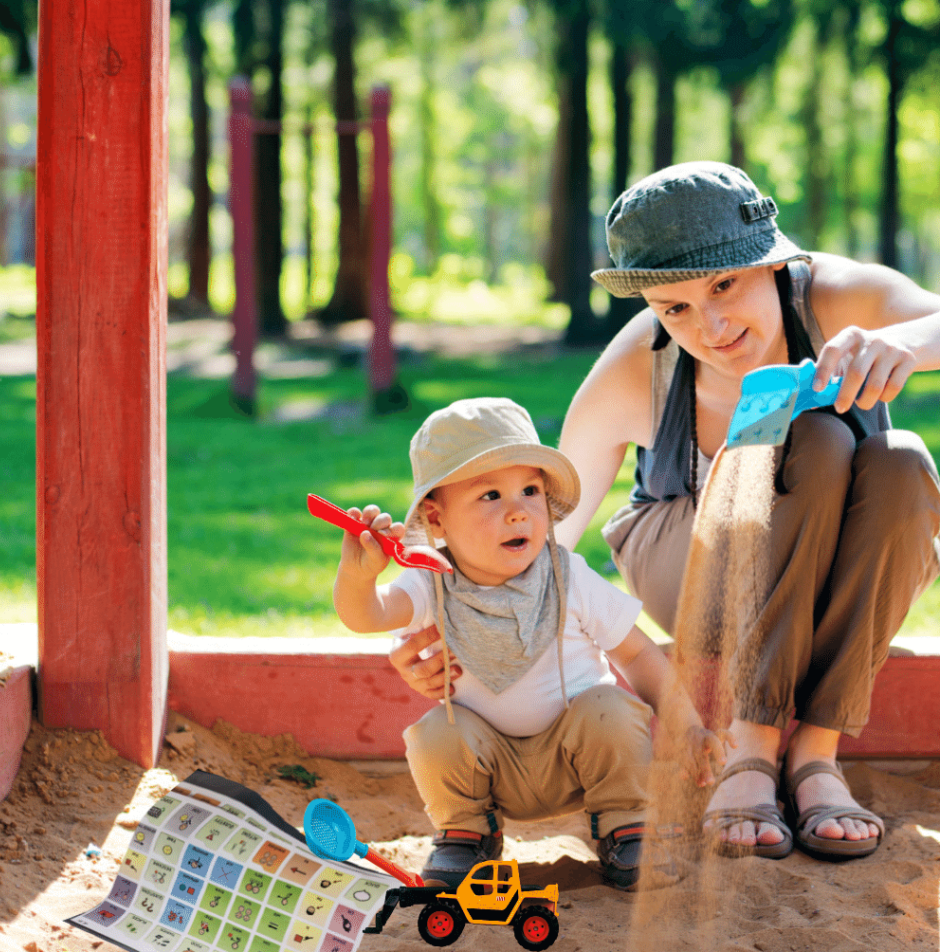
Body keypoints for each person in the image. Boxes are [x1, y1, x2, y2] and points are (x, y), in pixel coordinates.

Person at [391, 162, 940, 861]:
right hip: (690, 563)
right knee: (817, 434)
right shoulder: (639, 363)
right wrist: (452, 620)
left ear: (771, 261)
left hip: (836, 571)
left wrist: (909, 343)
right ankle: (749, 749)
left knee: (900, 461)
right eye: (673, 307)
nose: (709, 327)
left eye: (723, 285)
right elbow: (538, 533)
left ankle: (815, 757)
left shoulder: (834, 295)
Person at [331, 396, 728, 890]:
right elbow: (366, 616)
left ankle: (626, 824)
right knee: (437, 733)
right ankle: (467, 834)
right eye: (490, 496)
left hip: (578, 758)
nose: (518, 512)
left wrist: (687, 726)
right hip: (489, 767)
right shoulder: (431, 585)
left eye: (530, 490)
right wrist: (358, 575)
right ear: (436, 520)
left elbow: (639, 653)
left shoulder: (568, 578)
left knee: (609, 707)